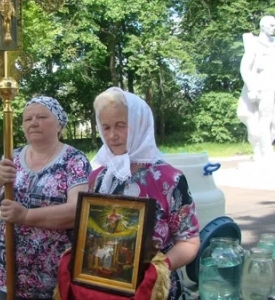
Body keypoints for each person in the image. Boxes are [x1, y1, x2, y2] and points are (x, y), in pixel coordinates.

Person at [56, 87, 199, 300]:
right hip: (103, 289)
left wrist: (159, 268)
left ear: (140, 124)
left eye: (121, 126)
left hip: (151, 291)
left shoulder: (169, 179)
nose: (112, 135)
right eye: (106, 127)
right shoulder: (99, 177)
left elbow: (189, 241)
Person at [0, 96, 92, 300]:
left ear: (59, 124)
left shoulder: (74, 160)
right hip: (9, 276)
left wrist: (26, 215)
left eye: (41, 117)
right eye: (27, 119)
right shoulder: (10, 158)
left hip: (54, 280)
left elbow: (79, 212)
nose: (33, 123)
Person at [237, 15, 275, 161]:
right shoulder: (255, 45)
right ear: (263, 26)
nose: (274, 28)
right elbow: (245, 68)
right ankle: (266, 152)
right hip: (263, 87)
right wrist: (252, 87)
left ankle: (264, 148)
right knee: (265, 119)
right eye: (271, 25)